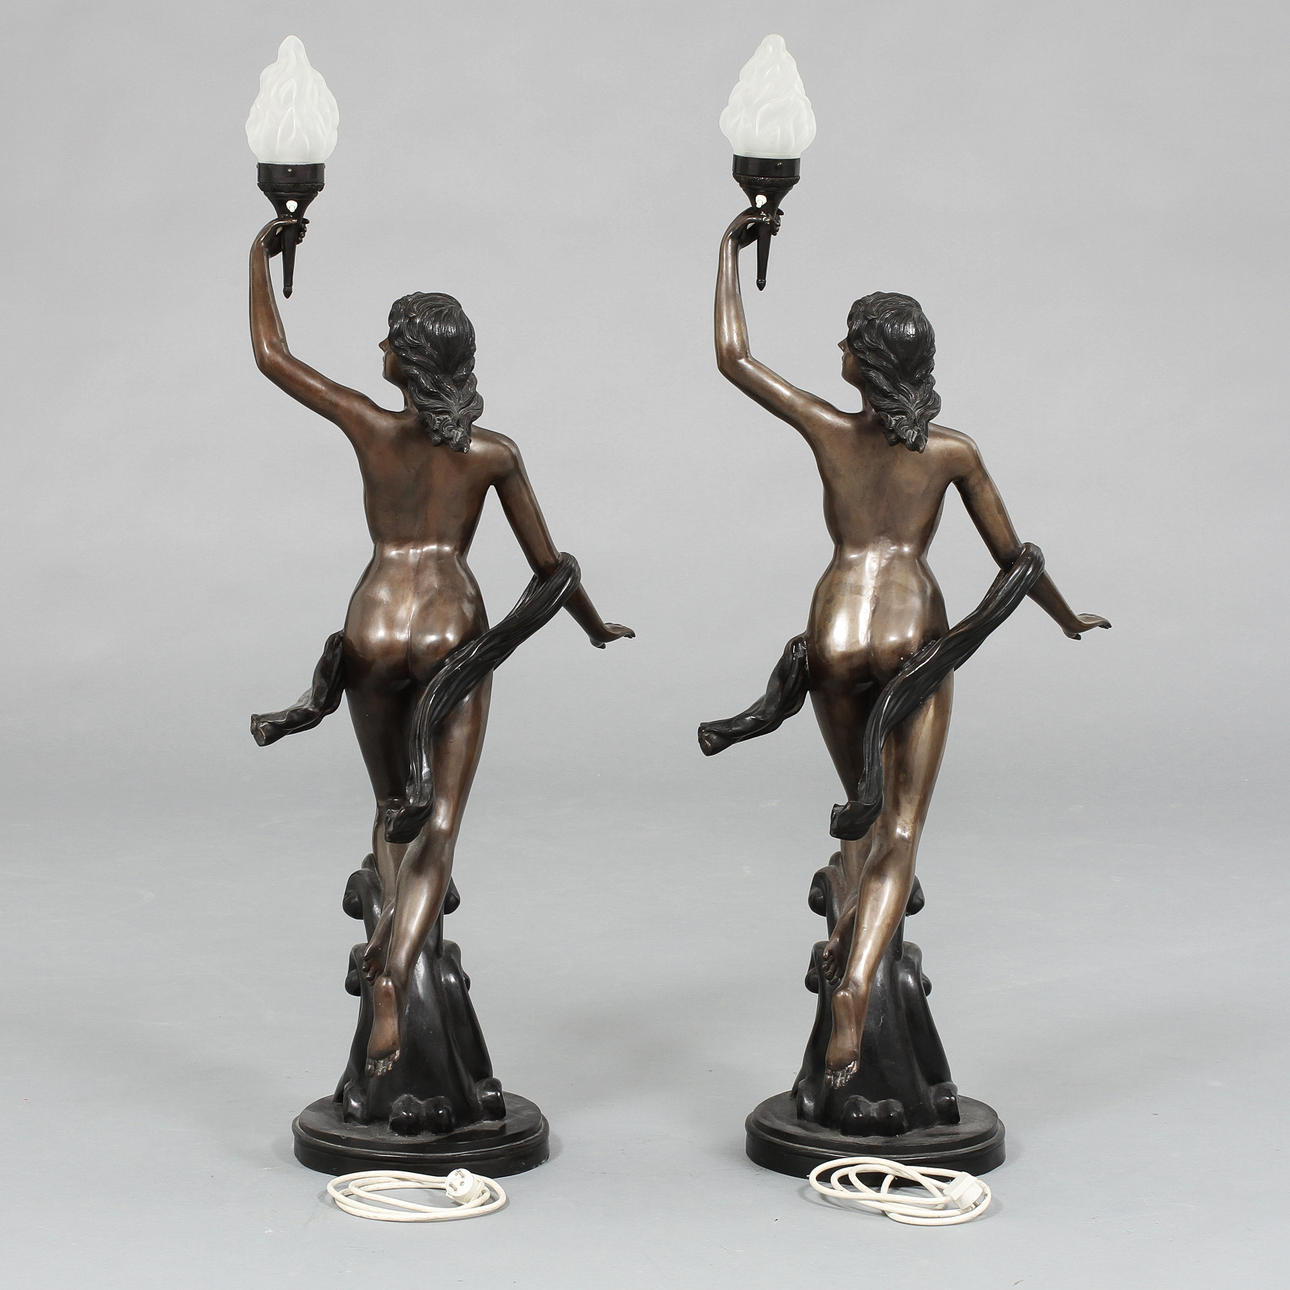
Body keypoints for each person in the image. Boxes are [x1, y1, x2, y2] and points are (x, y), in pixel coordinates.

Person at [713, 209, 1107, 1088]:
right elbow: (1014, 557)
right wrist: (1064, 617)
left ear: (870, 362)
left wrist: (728, 253)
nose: (837, 350)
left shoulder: (827, 428)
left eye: (848, 341)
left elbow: (734, 358)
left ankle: (850, 937)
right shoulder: (953, 452)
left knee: (860, 809)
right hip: (910, 634)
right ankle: (858, 981)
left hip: (833, 629)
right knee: (897, 825)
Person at [250, 218, 632, 1077]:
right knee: (440, 823)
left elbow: (273, 357)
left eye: (390, 336)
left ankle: (389, 945)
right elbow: (550, 567)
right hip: (450, 631)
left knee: (393, 808)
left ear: (413, 360)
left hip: (373, 622)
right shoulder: (492, 455)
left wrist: (259, 258)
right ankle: (394, 965)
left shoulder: (369, 426)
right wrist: (592, 624)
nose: (379, 346)